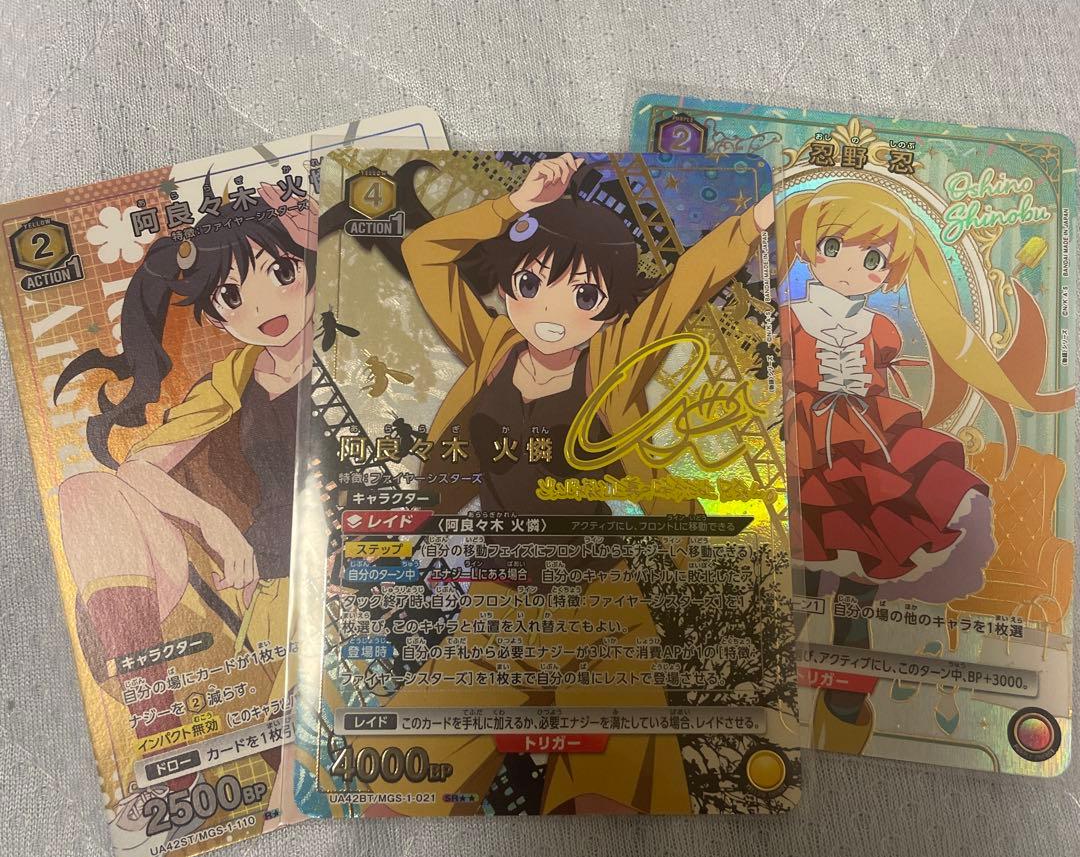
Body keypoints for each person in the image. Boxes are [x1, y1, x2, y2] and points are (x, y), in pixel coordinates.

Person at [361, 153, 774, 814]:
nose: (552, 312)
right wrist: (515, 206)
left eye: (584, 296)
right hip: (498, 611)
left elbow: (687, 282)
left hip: (601, 613)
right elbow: (424, 252)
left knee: (613, 806)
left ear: (610, 307)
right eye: (530, 284)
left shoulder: (611, 360)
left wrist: (756, 219)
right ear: (508, 284)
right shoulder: (493, 347)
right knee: (396, 783)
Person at [54, 180, 313, 857]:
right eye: (230, 295)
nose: (261, 308)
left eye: (281, 273)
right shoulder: (239, 373)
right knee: (85, 493)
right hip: (270, 583)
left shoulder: (363, 346)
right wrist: (216, 525)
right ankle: (167, 749)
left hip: (362, 574)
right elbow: (139, 467)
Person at [779, 179, 1074, 753]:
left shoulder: (881, 329)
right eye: (834, 247)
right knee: (801, 578)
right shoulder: (789, 318)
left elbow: (878, 384)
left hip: (869, 454)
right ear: (810, 249)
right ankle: (769, 675)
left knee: (861, 580)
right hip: (804, 448)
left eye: (872, 259)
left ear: (887, 271)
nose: (851, 267)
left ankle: (847, 697)